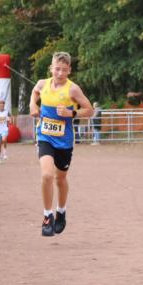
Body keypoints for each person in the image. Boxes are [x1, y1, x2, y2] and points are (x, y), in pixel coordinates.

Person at [30, 52, 94, 236]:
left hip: (64, 142)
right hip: (45, 137)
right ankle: (47, 216)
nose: (60, 73)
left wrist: (71, 114)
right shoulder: (43, 84)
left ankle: (61, 210)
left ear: (69, 71)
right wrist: (32, 106)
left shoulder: (73, 89)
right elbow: (35, 91)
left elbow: (90, 110)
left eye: (64, 70)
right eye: (57, 69)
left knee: (60, 179)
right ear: (51, 68)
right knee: (47, 175)